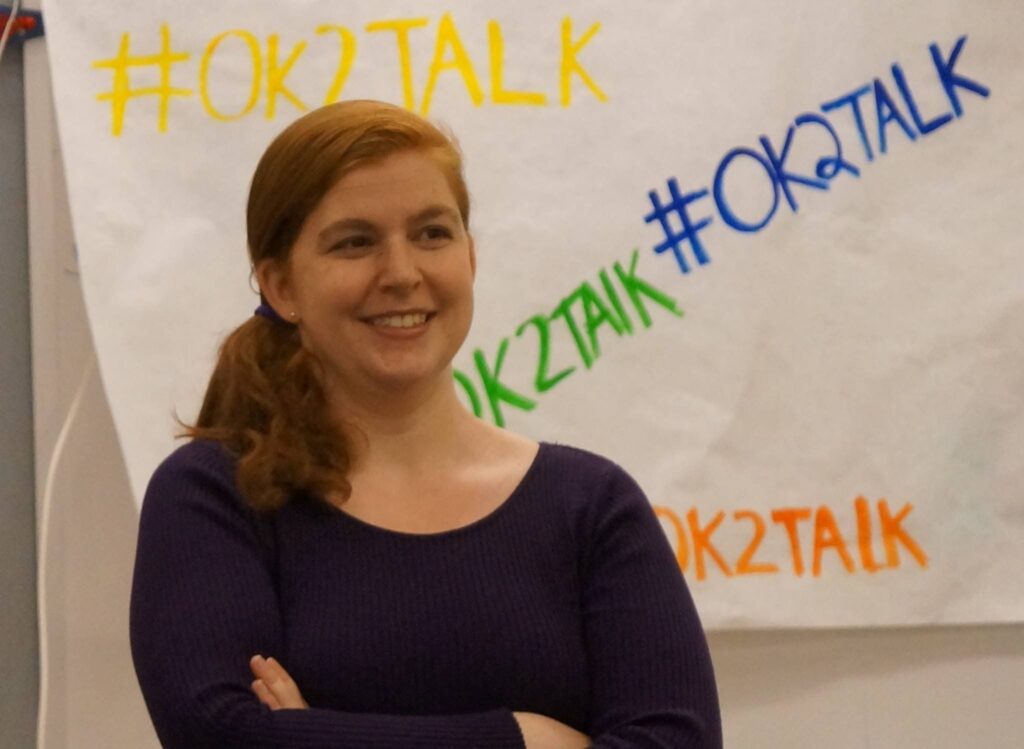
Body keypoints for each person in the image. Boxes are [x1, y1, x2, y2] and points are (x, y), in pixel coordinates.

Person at [129, 99, 722, 748]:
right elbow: (224, 736)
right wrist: (525, 738)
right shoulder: (214, 497)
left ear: (469, 257)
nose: (402, 273)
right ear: (280, 286)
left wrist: (318, 733)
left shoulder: (590, 506)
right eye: (355, 242)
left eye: (432, 234)